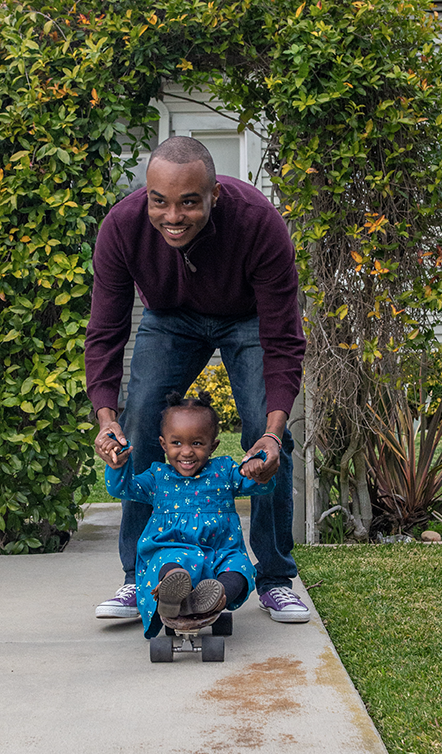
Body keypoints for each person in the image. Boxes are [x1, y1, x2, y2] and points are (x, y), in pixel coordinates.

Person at [85, 135, 310, 624]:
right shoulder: (122, 229)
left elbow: (283, 341)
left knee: (268, 435)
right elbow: (105, 331)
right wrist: (106, 419)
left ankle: (274, 578)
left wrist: (272, 432)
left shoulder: (258, 224)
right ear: (146, 195)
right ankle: (138, 576)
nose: (172, 216)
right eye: (159, 201)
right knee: (141, 420)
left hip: (246, 318)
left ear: (215, 195)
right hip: (170, 318)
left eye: (189, 202)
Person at [104, 391, 276, 639]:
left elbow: (259, 484)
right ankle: (173, 589)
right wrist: (118, 465)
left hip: (220, 552)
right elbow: (123, 488)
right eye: (176, 443)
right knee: (169, 562)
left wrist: (259, 466)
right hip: (172, 550)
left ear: (212, 445)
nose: (186, 452)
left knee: (240, 568)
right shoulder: (157, 477)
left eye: (196, 443)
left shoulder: (224, 471)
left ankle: (216, 596)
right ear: (163, 444)